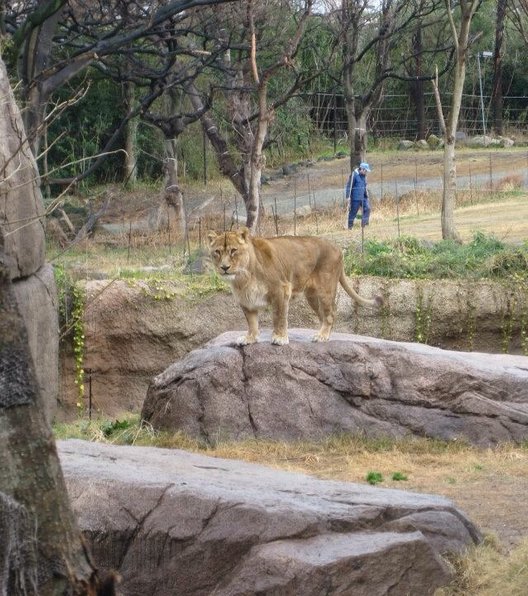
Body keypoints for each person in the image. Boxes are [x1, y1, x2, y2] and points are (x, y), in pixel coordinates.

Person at [345, 162, 371, 229]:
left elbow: (365, 185)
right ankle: (349, 227)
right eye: (366, 171)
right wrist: (348, 196)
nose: (366, 172)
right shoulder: (354, 175)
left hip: (363, 197)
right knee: (353, 212)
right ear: (362, 169)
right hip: (355, 198)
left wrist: (366, 193)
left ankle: (364, 225)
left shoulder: (364, 176)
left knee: (367, 208)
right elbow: (349, 186)